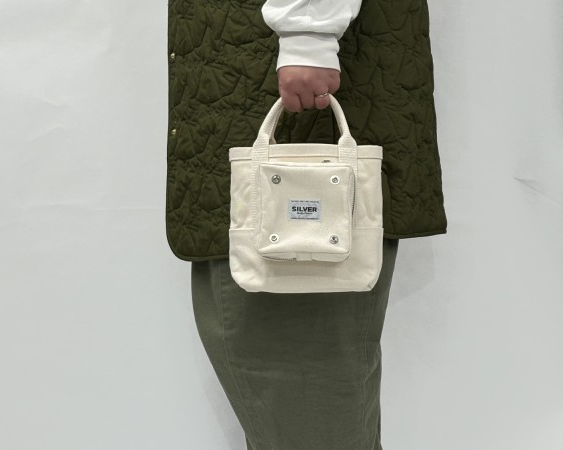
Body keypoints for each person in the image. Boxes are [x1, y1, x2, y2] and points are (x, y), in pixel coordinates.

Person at [166, 0, 447, 448]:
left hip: (288, 71)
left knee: (300, 387)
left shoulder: (305, 36)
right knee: (290, 394)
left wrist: (308, 35)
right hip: (251, 71)